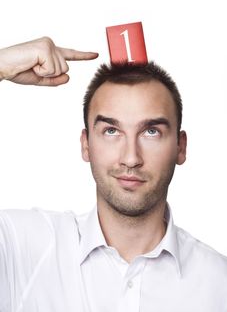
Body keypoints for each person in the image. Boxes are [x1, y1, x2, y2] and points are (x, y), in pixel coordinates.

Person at [0, 37, 226, 312]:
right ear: (86, 145)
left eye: (151, 132)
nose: (131, 157)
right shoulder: (21, 249)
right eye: (111, 131)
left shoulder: (218, 283)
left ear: (181, 147)